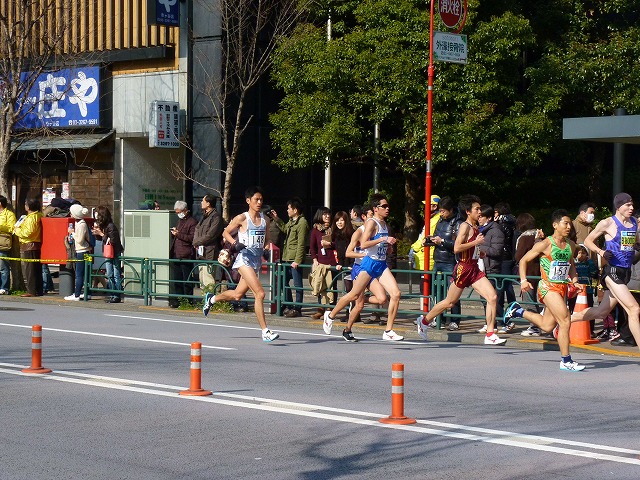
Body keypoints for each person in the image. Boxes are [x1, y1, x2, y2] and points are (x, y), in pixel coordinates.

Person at [417, 195, 507, 346]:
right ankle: (424, 321)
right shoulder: (465, 226)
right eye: (477, 209)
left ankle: (490, 333)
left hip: (474, 268)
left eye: (480, 209)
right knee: (450, 302)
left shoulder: (476, 227)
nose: (480, 212)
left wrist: (480, 252)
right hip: (463, 268)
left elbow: (472, 247)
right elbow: (457, 248)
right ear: (468, 211)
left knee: (492, 297)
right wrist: (476, 243)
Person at [504, 209, 585, 371]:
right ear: (555, 225)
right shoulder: (546, 244)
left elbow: (572, 266)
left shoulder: (570, 245)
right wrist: (524, 280)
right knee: (565, 320)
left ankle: (517, 311)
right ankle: (566, 360)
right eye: (565, 223)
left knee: (547, 326)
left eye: (569, 223)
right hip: (548, 287)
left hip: (561, 288)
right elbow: (523, 260)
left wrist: (575, 281)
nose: (569, 226)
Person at [202, 186, 279, 342]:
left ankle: (211, 299)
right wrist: (235, 244)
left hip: (256, 260)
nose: (259, 202)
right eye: (256, 199)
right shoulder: (242, 218)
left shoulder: (265, 220)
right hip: (243, 260)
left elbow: (267, 239)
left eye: (261, 199)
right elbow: (225, 232)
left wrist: (265, 248)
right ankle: (265, 331)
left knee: (237, 295)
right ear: (248, 201)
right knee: (260, 293)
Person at [323, 193, 404, 341]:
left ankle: (388, 330)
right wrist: (383, 239)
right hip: (368, 264)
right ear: (375, 209)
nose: (387, 209)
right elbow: (365, 244)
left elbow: (380, 244)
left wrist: (388, 247)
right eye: (384, 206)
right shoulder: (371, 223)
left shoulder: (384, 224)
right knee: (354, 295)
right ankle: (331, 315)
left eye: (388, 206)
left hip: (381, 264)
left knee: (395, 294)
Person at [570, 193, 640, 351]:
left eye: (632, 205)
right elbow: (588, 240)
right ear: (618, 206)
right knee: (634, 309)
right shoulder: (607, 223)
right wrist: (601, 252)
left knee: (602, 313)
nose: (631, 208)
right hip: (612, 272)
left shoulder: (634, 222)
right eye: (628, 205)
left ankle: (566, 320)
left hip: (626, 272)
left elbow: (634, 240)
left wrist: (637, 245)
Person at [339, 202, 389, 341]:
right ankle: (347, 330)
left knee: (382, 298)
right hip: (359, 268)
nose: (374, 219)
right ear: (364, 216)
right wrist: (364, 255)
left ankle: (359, 298)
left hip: (371, 268)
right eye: (371, 216)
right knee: (359, 305)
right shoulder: (359, 232)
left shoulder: (378, 229)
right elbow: (348, 253)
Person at [418, 196, 463, 330]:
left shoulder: (458, 223)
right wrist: (429, 241)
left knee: (453, 292)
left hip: (450, 261)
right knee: (438, 292)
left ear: (451, 210)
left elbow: (458, 245)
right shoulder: (441, 221)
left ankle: (455, 320)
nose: (441, 213)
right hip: (438, 259)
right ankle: (439, 319)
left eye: (443, 211)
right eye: (440, 211)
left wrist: (442, 241)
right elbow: (437, 237)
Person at [272, 197, 309, 318]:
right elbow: (284, 229)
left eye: (289, 208)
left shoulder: (302, 223)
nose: (287, 210)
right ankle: (288, 304)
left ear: (295, 209)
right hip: (287, 256)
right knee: (284, 281)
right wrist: (276, 219)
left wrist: (298, 260)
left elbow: (301, 243)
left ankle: (297, 307)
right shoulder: (292, 221)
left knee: (297, 284)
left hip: (294, 258)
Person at [476, 204, 506, 332]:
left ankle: (502, 321)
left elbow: (497, 250)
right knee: (485, 298)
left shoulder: (495, 230)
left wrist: (480, 248)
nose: (479, 218)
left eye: (481, 216)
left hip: (492, 267)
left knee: (493, 298)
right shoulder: (481, 230)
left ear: (488, 218)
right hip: (483, 267)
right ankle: (489, 323)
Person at [513, 213, 544, 336]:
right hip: (540, 272)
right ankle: (541, 324)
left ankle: (534, 326)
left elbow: (518, 256)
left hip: (527, 273)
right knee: (538, 300)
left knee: (529, 300)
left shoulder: (524, 237)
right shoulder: (540, 236)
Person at [92, 206, 124, 303]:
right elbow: (104, 240)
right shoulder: (106, 226)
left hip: (114, 252)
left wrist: (102, 234)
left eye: (98, 215)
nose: (97, 217)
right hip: (108, 252)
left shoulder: (111, 226)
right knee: (109, 274)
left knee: (115, 274)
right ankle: (112, 293)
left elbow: (112, 241)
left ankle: (116, 295)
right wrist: (98, 233)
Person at [309, 207, 337, 319]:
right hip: (320, 262)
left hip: (333, 261)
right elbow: (312, 246)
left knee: (332, 285)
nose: (327, 216)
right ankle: (321, 309)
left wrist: (329, 245)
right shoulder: (315, 230)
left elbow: (339, 244)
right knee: (320, 285)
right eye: (324, 214)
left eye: (328, 214)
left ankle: (331, 309)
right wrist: (314, 259)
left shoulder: (334, 228)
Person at [169, 201, 198, 308]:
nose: (178, 214)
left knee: (187, 280)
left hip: (186, 254)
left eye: (179, 212)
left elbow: (192, 238)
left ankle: (188, 301)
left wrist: (178, 234)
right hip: (176, 253)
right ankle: (178, 300)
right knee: (177, 280)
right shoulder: (180, 221)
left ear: (185, 210)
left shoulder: (192, 222)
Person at [494, 202, 517, 328]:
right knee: (507, 285)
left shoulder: (502, 225)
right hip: (509, 257)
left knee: (502, 286)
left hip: (503, 257)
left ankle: (506, 316)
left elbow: (502, 240)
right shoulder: (513, 222)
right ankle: (512, 308)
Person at [192, 194, 223, 289]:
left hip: (209, 253)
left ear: (208, 203)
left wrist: (197, 242)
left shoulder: (216, 217)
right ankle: (204, 301)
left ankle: (211, 301)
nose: (201, 202)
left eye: (203, 201)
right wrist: (195, 241)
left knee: (208, 280)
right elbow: (197, 229)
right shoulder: (204, 216)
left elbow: (211, 235)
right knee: (202, 280)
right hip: (201, 253)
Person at [14, 198, 43, 297]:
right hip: (35, 244)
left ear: (29, 207)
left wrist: (17, 231)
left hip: (29, 244)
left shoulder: (31, 218)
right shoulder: (38, 215)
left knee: (30, 270)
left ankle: (31, 291)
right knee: (36, 269)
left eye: (26, 204)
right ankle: (38, 289)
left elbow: (28, 232)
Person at [65, 204, 92, 301]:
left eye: (72, 212)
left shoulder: (81, 224)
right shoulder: (80, 223)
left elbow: (80, 240)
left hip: (82, 251)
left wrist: (72, 232)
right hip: (86, 251)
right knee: (86, 274)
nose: (70, 214)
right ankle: (87, 293)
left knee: (79, 274)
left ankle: (76, 295)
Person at [410, 195, 441, 272]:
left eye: (426, 205)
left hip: (427, 256)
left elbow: (425, 237)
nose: (424, 208)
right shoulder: (433, 218)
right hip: (425, 256)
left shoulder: (434, 220)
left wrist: (414, 248)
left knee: (425, 282)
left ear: (434, 206)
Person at [0, 195, 16, 294]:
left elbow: (12, 228)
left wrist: (1, 227)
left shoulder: (9, 214)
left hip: (3, 243)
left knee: (3, 267)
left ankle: (4, 288)